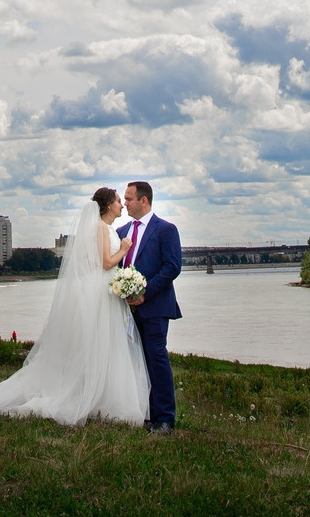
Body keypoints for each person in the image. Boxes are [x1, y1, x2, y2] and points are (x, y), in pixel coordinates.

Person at [0, 187, 151, 426]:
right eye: (119, 201)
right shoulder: (100, 227)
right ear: (108, 205)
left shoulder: (109, 228)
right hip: (101, 292)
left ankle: (102, 398)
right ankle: (85, 396)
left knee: (106, 345)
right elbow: (104, 263)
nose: (122, 205)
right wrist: (123, 250)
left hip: (107, 292)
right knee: (98, 343)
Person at [118, 180, 182, 434]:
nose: (125, 203)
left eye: (129, 199)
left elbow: (172, 266)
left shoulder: (166, 229)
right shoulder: (121, 231)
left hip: (155, 306)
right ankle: (146, 414)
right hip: (127, 309)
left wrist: (145, 292)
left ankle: (165, 418)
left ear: (144, 200)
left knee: (156, 358)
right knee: (137, 361)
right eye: (124, 199)